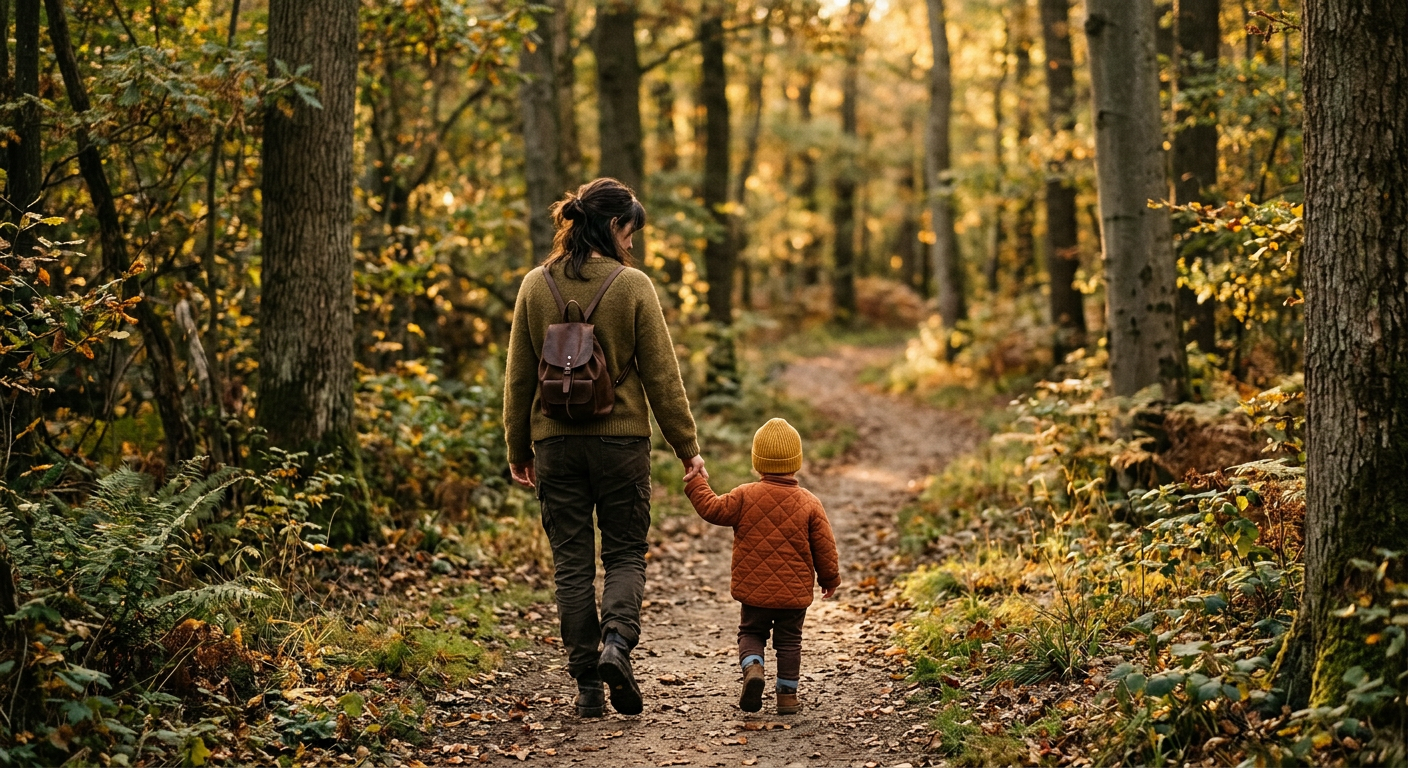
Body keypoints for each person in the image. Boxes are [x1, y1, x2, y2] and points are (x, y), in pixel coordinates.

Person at [503, 178, 707, 718]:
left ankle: (588, 686)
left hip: (554, 445)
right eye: (630, 231)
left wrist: (517, 446)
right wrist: (687, 447)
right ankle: (616, 645)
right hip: (621, 445)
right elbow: (663, 377)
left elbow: (519, 378)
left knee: (571, 563)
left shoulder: (532, 286)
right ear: (612, 227)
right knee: (622, 553)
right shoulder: (632, 285)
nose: (632, 244)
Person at [683, 417, 841, 715]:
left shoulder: (744, 495)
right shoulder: (809, 502)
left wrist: (696, 480)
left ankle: (753, 667)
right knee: (790, 641)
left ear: (757, 463)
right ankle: (787, 697)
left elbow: (712, 509)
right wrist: (830, 578)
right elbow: (825, 546)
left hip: (754, 591)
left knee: (751, 633)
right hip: (793, 595)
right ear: (797, 462)